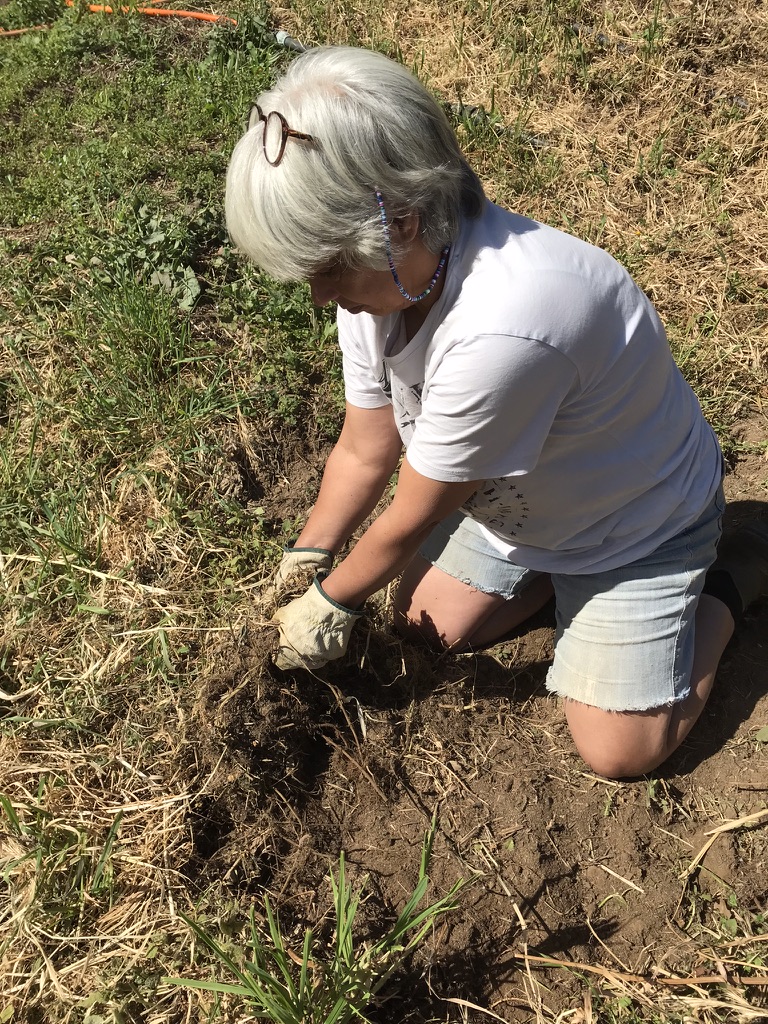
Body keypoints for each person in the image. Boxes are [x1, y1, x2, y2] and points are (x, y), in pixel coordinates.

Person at [224, 45, 768, 780]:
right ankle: (563, 590)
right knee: (424, 627)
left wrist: (330, 601)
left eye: (326, 269)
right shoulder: (382, 285)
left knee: (618, 750)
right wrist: (312, 553)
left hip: (635, 524)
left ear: (402, 221)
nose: (321, 295)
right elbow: (364, 447)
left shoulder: (506, 325)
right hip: (523, 511)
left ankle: (736, 569)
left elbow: (414, 511)